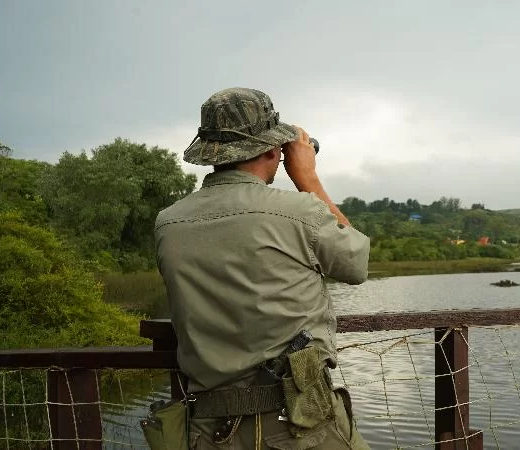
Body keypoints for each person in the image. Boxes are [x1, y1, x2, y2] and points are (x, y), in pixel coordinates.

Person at [154, 87, 371, 449]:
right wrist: (308, 178)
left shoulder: (167, 222)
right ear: (273, 150)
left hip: (208, 430)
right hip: (300, 426)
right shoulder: (298, 211)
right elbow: (357, 263)